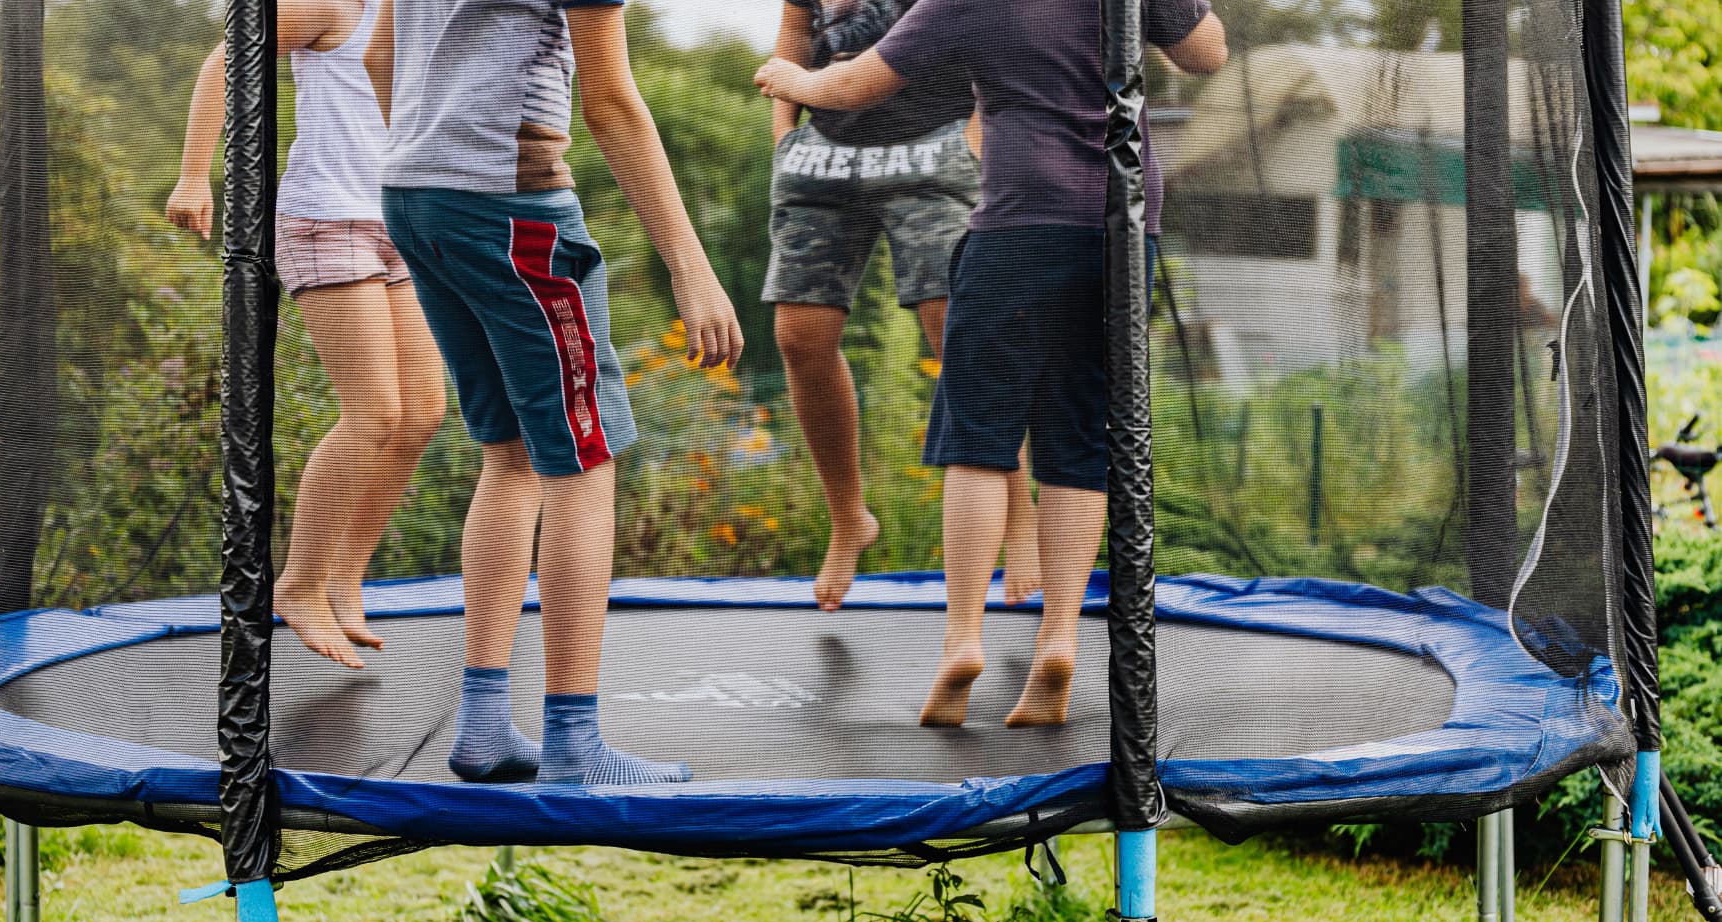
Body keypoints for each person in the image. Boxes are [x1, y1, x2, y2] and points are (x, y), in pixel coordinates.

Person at [756, 0, 1225, 728]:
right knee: (1079, 441)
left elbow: (853, 86)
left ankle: (962, 638)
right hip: (1123, 227)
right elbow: (1207, 54)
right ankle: (1059, 637)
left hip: (1017, 224)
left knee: (976, 438)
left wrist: (790, 76)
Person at [366, 0, 744, 784]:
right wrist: (689, 265)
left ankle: (481, 726)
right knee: (583, 455)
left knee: (507, 453)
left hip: (413, 193)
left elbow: (378, 58)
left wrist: (433, 151)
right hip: (510, 209)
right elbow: (609, 101)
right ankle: (573, 741)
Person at [167, 0, 448, 670]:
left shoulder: (418, 10)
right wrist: (192, 174)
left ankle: (345, 576)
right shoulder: (326, 2)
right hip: (328, 222)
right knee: (374, 412)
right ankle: (297, 582)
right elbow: (225, 60)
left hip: (399, 222)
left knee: (422, 414)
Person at [766, 0, 1041, 612]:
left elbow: (986, 34)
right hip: (824, 155)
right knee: (799, 337)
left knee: (959, 332)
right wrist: (784, 139)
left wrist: (973, 137)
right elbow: (789, 49)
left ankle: (1021, 518)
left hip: (933, 148)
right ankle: (849, 519)